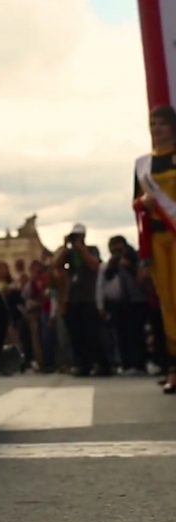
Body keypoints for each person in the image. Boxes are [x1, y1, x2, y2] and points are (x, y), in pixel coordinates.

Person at [133, 104, 176, 393]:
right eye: (152, 124)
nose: (156, 129)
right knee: (167, 304)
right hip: (158, 240)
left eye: (161, 124)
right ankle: (173, 367)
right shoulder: (143, 164)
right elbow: (136, 203)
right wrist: (142, 204)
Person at [54, 224, 110, 376]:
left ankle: (101, 364)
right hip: (73, 299)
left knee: (92, 333)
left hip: (90, 297)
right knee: (76, 335)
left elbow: (94, 264)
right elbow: (56, 265)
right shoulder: (69, 254)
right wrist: (65, 247)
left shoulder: (91, 249)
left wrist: (81, 248)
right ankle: (82, 364)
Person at [96, 236, 148, 375]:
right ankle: (127, 363)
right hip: (121, 302)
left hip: (137, 300)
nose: (115, 250)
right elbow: (107, 278)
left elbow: (140, 275)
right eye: (112, 248)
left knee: (135, 333)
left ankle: (138, 364)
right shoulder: (114, 262)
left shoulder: (133, 257)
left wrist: (129, 265)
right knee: (122, 334)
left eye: (117, 247)